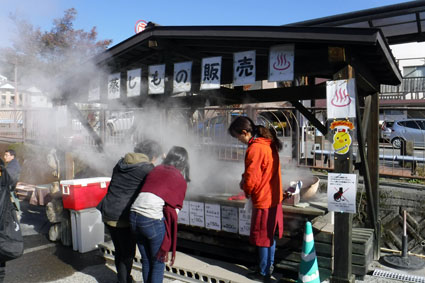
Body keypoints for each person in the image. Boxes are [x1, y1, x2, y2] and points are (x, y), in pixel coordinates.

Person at [97, 140, 163, 283]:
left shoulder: (121, 163)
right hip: (122, 216)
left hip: (108, 211)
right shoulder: (147, 169)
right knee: (127, 253)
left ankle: (124, 278)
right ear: (153, 156)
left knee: (120, 250)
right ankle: (123, 280)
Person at [228, 116, 284, 282]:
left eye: (238, 137)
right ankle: (268, 266)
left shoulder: (255, 149)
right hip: (274, 196)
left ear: (245, 132)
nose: (239, 141)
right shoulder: (267, 143)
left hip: (264, 199)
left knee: (262, 237)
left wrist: (245, 189)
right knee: (269, 236)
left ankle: (263, 272)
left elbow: (252, 178)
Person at [130, 146, 190, 283]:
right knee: (158, 262)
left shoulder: (156, 169)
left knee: (146, 261)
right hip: (150, 220)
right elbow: (174, 209)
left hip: (133, 215)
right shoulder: (178, 177)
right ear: (183, 163)